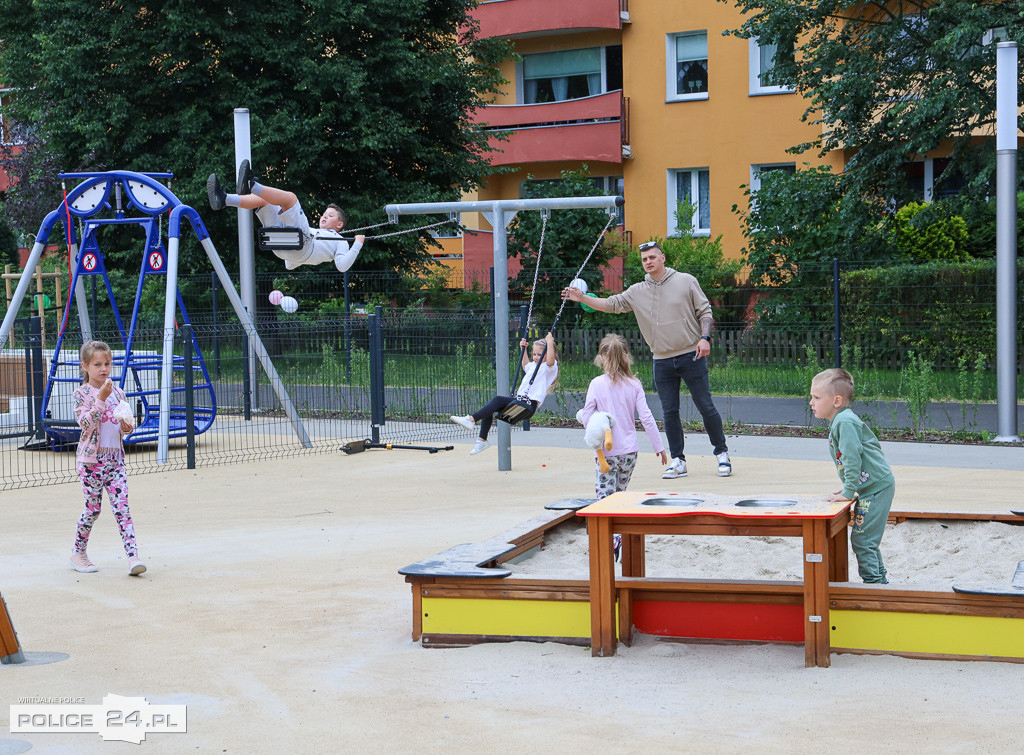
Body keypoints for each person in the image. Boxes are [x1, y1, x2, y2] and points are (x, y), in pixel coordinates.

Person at [563, 241, 731, 478]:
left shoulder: (686, 281)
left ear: (663, 258)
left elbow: (705, 312)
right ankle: (678, 460)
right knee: (669, 411)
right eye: (644, 259)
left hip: (690, 354)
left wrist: (705, 338)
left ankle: (721, 454)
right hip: (661, 359)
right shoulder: (637, 291)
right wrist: (582, 298)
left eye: (652, 257)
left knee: (705, 406)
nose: (648, 262)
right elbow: (611, 305)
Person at [809, 367, 895, 584]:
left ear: (836, 401)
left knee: (863, 539)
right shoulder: (840, 421)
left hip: (876, 489)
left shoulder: (844, 422)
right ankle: (880, 581)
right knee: (865, 538)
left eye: (817, 397)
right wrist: (850, 485)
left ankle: (874, 583)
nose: (811, 402)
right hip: (870, 487)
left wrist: (848, 491)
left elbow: (852, 458)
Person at [70, 340, 146, 576]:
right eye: (97, 364)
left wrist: (127, 426)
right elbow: (85, 424)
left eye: (107, 364)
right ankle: (78, 552)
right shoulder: (81, 393)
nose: (104, 369)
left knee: (122, 507)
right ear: (85, 366)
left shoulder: (119, 391)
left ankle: (133, 557)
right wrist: (100, 398)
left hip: (115, 461)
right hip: (92, 463)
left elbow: (124, 425)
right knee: (93, 509)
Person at [206, 160, 364, 273]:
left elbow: (342, 266)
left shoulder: (341, 241)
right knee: (265, 200)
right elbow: (289, 265)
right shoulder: (317, 231)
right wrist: (299, 258)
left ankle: (251, 185)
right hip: (283, 247)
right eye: (324, 214)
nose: (324, 217)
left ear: (339, 225)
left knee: (290, 199)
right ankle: (224, 199)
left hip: (302, 244)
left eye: (330, 216)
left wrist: (357, 244)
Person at [579, 333, 667, 499]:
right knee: (620, 496)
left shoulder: (597, 384)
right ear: (626, 357)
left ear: (602, 358)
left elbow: (587, 416)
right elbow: (646, 417)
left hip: (607, 452)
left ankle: (606, 523)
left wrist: (594, 431)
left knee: (605, 498)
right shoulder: (634, 384)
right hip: (629, 452)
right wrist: (659, 446)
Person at [450, 332, 558, 455]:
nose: (536, 357)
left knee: (497, 400)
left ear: (547, 353)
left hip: (529, 405)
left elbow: (550, 360)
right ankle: (482, 440)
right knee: (490, 407)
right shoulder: (533, 366)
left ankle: (471, 419)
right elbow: (525, 366)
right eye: (534, 354)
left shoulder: (549, 369)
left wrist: (550, 343)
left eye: (540, 354)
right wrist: (523, 349)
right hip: (520, 401)